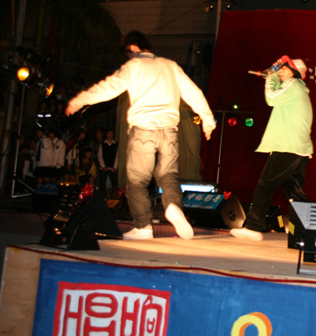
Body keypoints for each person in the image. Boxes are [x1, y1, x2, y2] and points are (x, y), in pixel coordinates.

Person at [65, 30, 215, 240]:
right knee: (168, 176)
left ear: (133, 48)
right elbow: (193, 93)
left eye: (128, 53)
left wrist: (80, 100)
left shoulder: (134, 66)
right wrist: (207, 119)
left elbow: (108, 88)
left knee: (137, 181)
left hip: (143, 128)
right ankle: (174, 207)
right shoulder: (170, 66)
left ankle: (143, 226)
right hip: (169, 131)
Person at [230, 56, 313, 241]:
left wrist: (271, 77)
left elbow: (271, 98)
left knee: (265, 185)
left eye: (284, 68)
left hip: (288, 146)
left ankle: (253, 227)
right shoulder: (298, 89)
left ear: (295, 72)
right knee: (294, 191)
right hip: (299, 148)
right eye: (280, 68)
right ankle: (307, 230)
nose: (280, 71)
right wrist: (273, 76)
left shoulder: (293, 84)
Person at [98, 128, 118, 197]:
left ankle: (114, 197)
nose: (110, 135)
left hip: (112, 167)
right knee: (102, 183)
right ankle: (103, 197)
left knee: (114, 183)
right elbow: (100, 156)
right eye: (108, 134)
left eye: (111, 134)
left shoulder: (116, 144)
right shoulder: (103, 144)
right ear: (106, 135)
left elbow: (117, 156)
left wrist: (115, 167)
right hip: (104, 167)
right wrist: (103, 166)